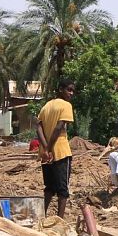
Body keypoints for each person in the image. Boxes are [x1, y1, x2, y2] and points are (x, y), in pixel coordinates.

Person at [36, 78, 76, 218]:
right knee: (62, 190)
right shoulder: (66, 106)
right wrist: (49, 148)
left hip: (46, 154)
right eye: (68, 89)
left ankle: (42, 215)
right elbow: (59, 127)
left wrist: (45, 148)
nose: (71, 93)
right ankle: (60, 220)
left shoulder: (46, 106)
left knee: (49, 188)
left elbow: (38, 127)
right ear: (60, 89)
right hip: (60, 152)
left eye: (72, 91)